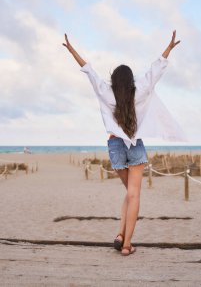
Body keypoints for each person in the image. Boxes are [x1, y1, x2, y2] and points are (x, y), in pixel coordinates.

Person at [63, 31, 185, 256]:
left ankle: (120, 234)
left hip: (115, 147)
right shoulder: (139, 93)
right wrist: (168, 49)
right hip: (135, 145)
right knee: (134, 194)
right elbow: (154, 71)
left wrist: (72, 51)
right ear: (130, 81)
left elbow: (89, 71)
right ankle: (127, 245)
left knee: (129, 193)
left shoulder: (107, 94)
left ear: (114, 80)